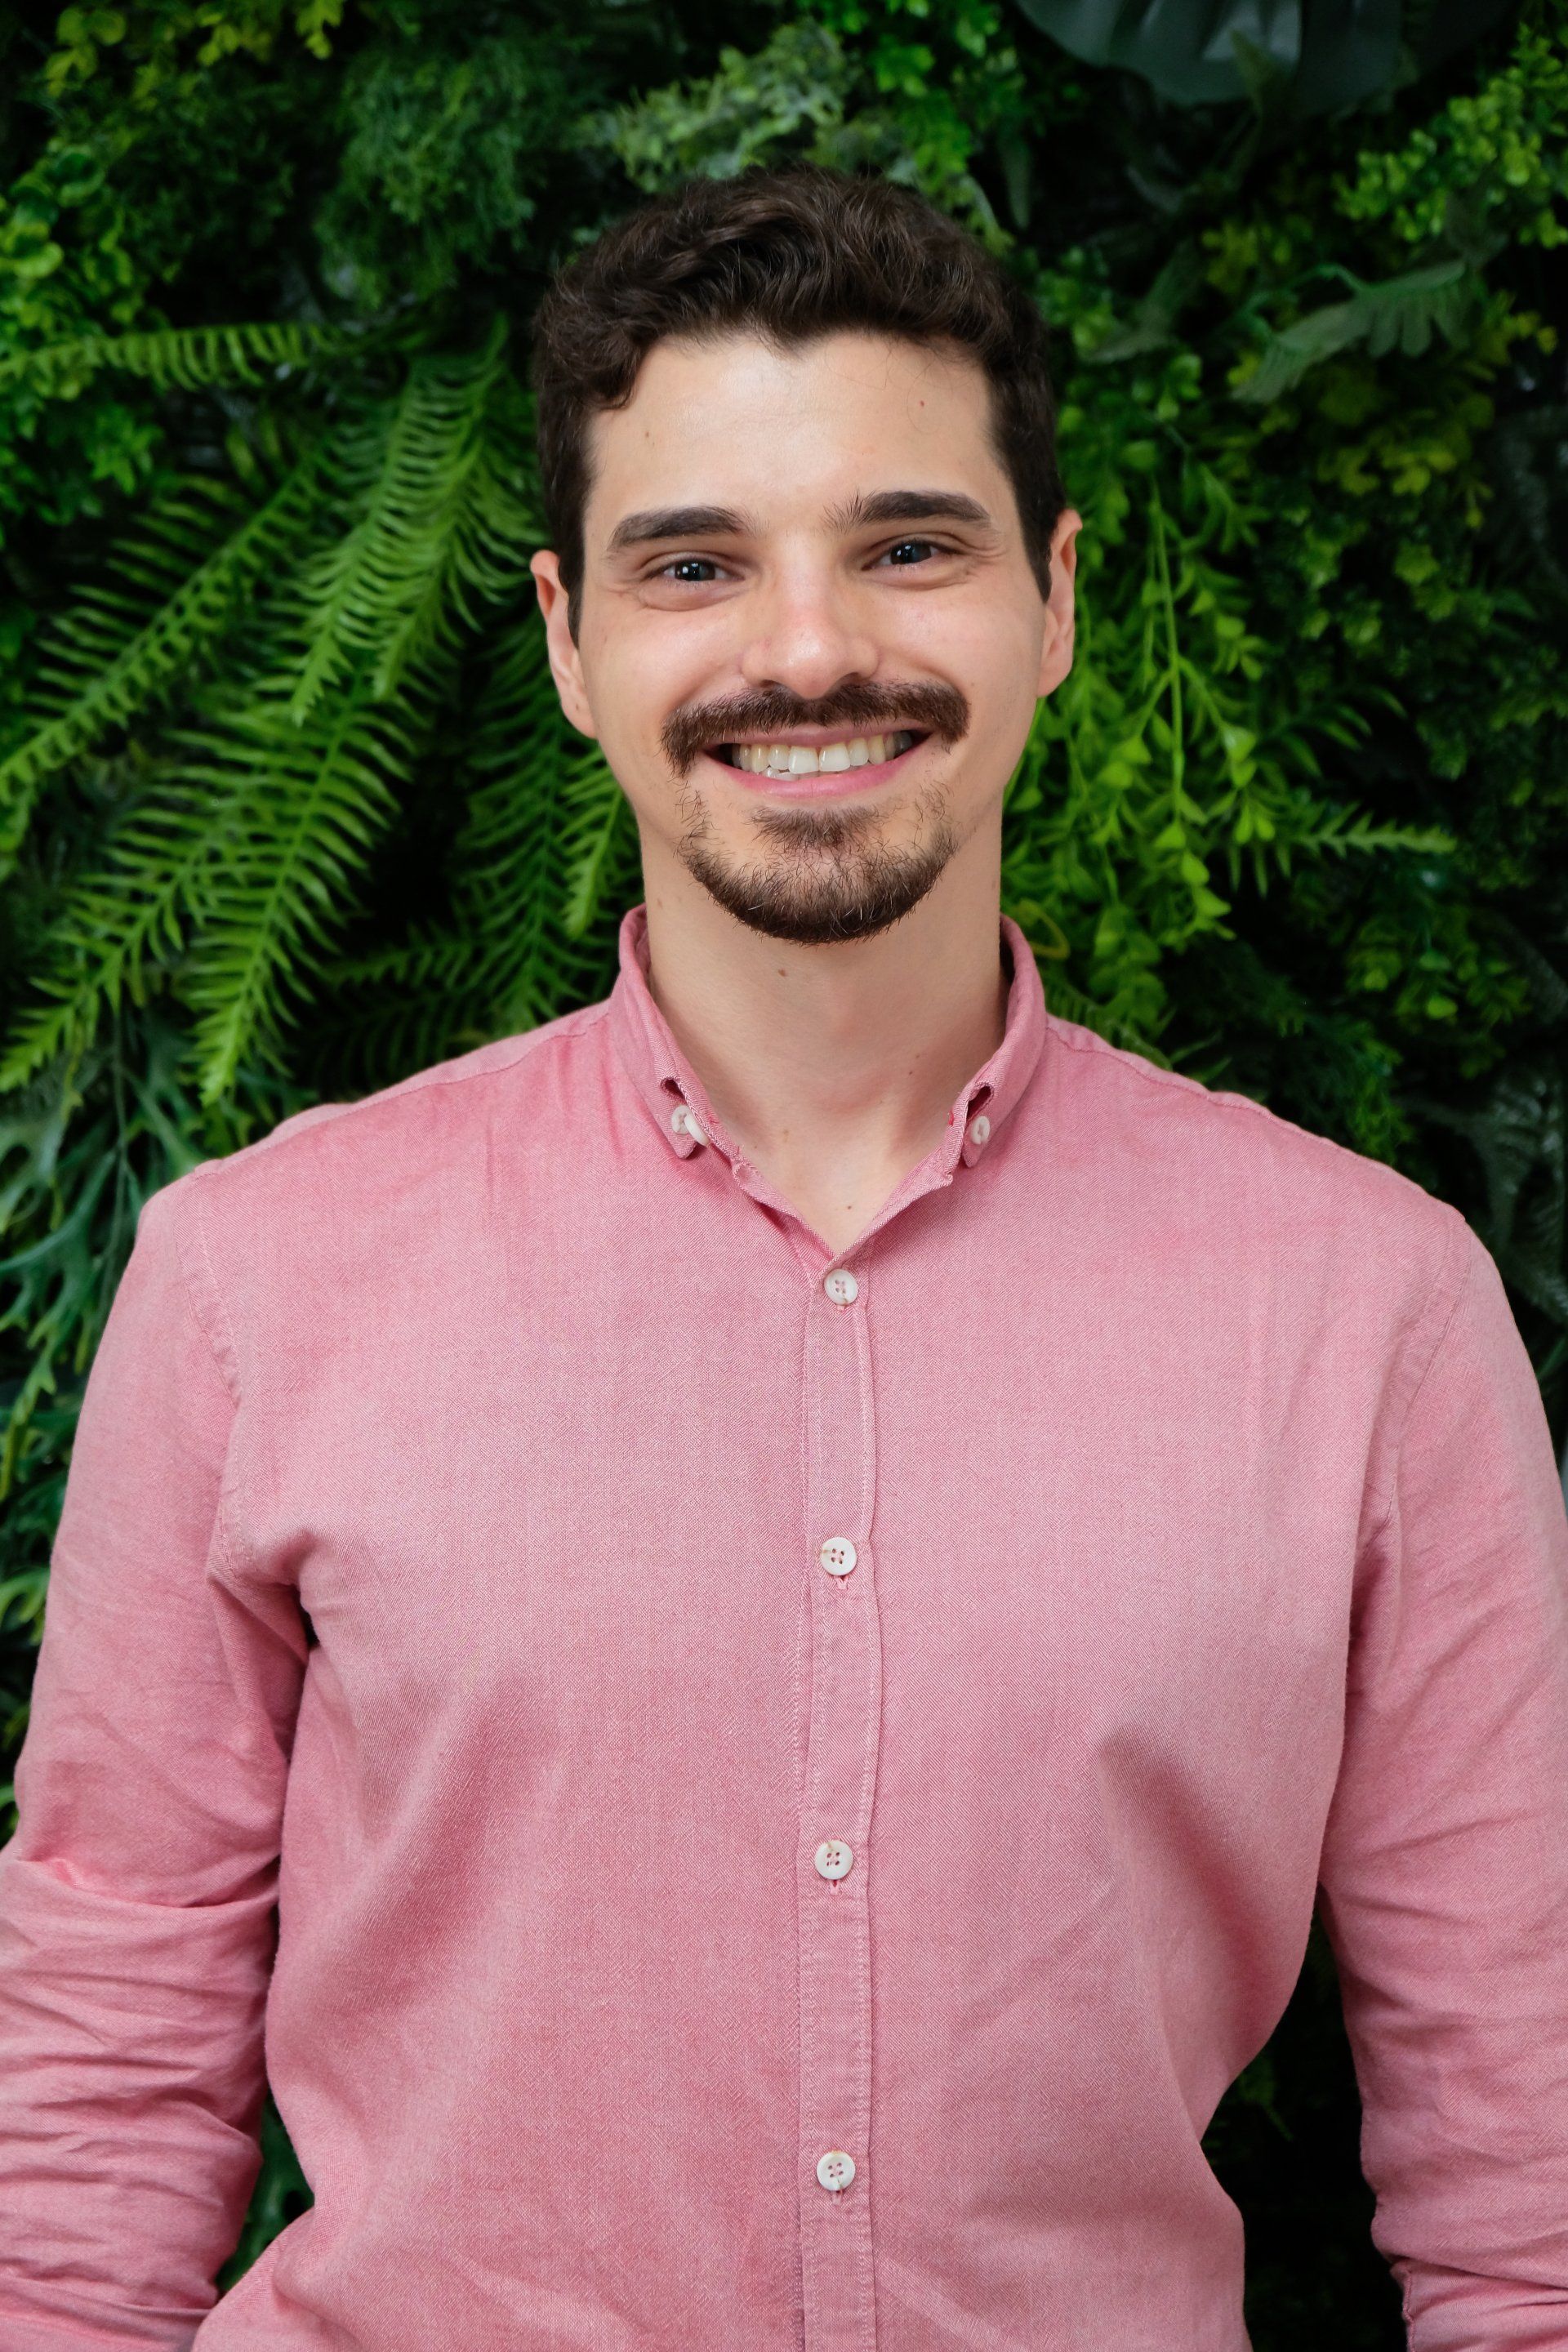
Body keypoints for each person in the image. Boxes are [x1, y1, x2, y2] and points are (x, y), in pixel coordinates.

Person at [2, 163, 1566, 2352]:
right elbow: (97, 2081)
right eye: (695, 564)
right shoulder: (258, 1283)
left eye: (906, 545)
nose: (809, 647)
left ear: (1056, 598)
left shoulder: (1371, 1318)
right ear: (567, 638)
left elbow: (1528, 2154)